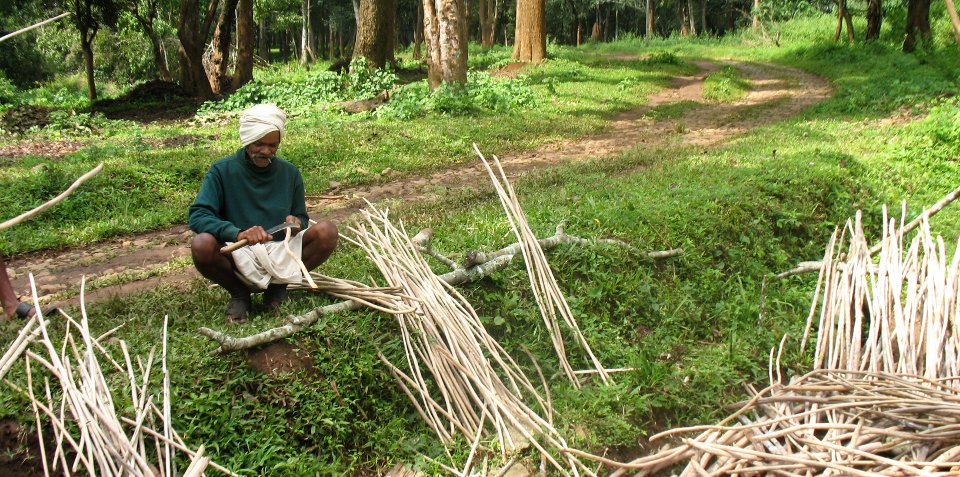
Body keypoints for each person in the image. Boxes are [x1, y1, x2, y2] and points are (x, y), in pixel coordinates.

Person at [189, 104, 338, 323]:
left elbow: (302, 217)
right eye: (259, 144)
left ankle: (277, 288)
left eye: (272, 145)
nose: (266, 151)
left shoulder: (289, 173)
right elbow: (198, 215)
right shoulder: (222, 171)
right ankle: (239, 294)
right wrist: (237, 233)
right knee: (202, 244)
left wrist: (296, 222)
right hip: (239, 252)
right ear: (247, 139)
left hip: (280, 250)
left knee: (327, 232)